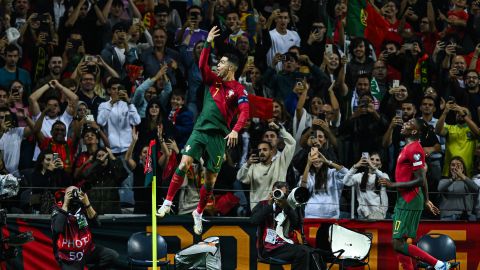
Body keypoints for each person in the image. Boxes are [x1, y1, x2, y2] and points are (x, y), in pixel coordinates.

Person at [156, 26, 249, 236]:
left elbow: (244, 112)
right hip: (200, 130)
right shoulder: (211, 80)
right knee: (184, 162)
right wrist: (207, 42)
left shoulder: (239, 90)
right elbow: (201, 63)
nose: (219, 64)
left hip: (218, 137)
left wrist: (235, 130)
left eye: (223, 62)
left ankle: (198, 213)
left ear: (231, 68)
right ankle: (168, 202)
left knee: (209, 180)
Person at [379, 118, 458, 270]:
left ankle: (439, 265)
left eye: (409, 124)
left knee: (398, 243)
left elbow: (420, 179)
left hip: (410, 200)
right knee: (399, 244)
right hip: (405, 199)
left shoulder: (415, 149)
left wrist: (392, 184)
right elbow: (423, 178)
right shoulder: (410, 147)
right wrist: (427, 200)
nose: (404, 124)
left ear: (414, 131)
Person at [250, 181, 319, 270]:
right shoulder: (263, 204)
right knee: (303, 251)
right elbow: (253, 221)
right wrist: (269, 206)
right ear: (272, 192)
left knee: (314, 252)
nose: (279, 196)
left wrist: (287, 208)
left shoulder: (291, 206)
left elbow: (297, 225)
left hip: (287, 245)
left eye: (283, 194)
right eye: (277, 193)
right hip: (270, 249)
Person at [51, 186, 119, 269]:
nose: (74, 197)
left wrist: (87, 203)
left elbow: (96, 223)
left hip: (87, 250)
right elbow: (57, 228)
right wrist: (65, 204)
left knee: (112, 256)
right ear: (65, 196)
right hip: (69, 255)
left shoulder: (82, 206)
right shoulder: (58, 208)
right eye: (70, 194)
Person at [300, 147, 347, 218]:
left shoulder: (332, 173)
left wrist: (328, 162)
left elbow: (346, 173)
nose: (316, 159)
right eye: (313, 157)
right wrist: (308, 165)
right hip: (312, 215)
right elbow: (303, 188)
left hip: (331, 215)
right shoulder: (308, 175)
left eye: (319, 156)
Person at [342, 152, 389, 220]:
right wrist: (355, 166)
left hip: (379, 215)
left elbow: (387, 181)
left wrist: (382, 213)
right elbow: (345, 181)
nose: (374, 162)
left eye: (377, 160)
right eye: (371, 159)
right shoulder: (360, 176)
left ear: (380, 165)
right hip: (363, 216)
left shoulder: (383, 175)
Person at [438, 156, 478, 221]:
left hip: (467, 216)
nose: (455, 167)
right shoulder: (444, 181)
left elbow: (476, 189)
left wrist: (462, 176)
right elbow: (440, 188)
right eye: (453, 165)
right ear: (450, 168)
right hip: (448, 216)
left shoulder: (468, 182)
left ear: (463, 168)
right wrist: (453, 179)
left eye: (458, 165)